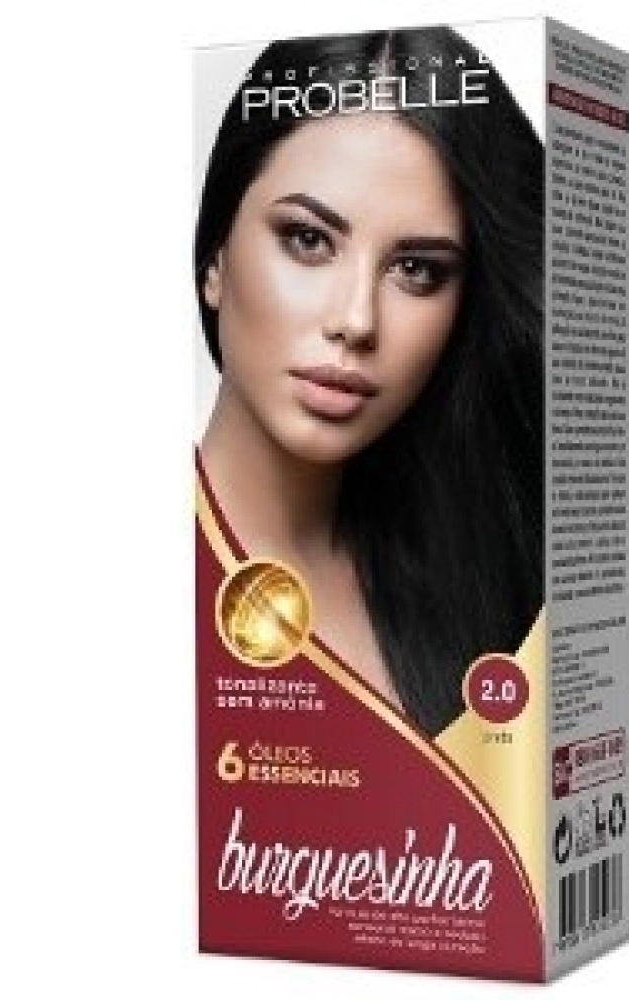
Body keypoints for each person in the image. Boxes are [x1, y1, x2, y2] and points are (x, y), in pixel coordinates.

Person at [195, 26, 543, 737]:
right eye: (308, 240)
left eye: (417, 270)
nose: (356, 321)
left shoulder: (491, 588)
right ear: (215, 261)